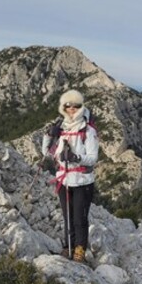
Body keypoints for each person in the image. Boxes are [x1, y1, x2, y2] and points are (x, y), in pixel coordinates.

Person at [41, 90, 98, 263]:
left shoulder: (88, 131)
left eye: (76, 105)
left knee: (79, 217)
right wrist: (49, 135)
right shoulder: (62, 129)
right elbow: (47, 153)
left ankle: (80, 249)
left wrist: (75, 158)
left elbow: (93, 158)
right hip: (64, 180)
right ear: (63, 107)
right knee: (67, 217)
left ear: (81, 107)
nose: (72, 109)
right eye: (68, 105)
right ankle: (68, 246)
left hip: (82, 181)